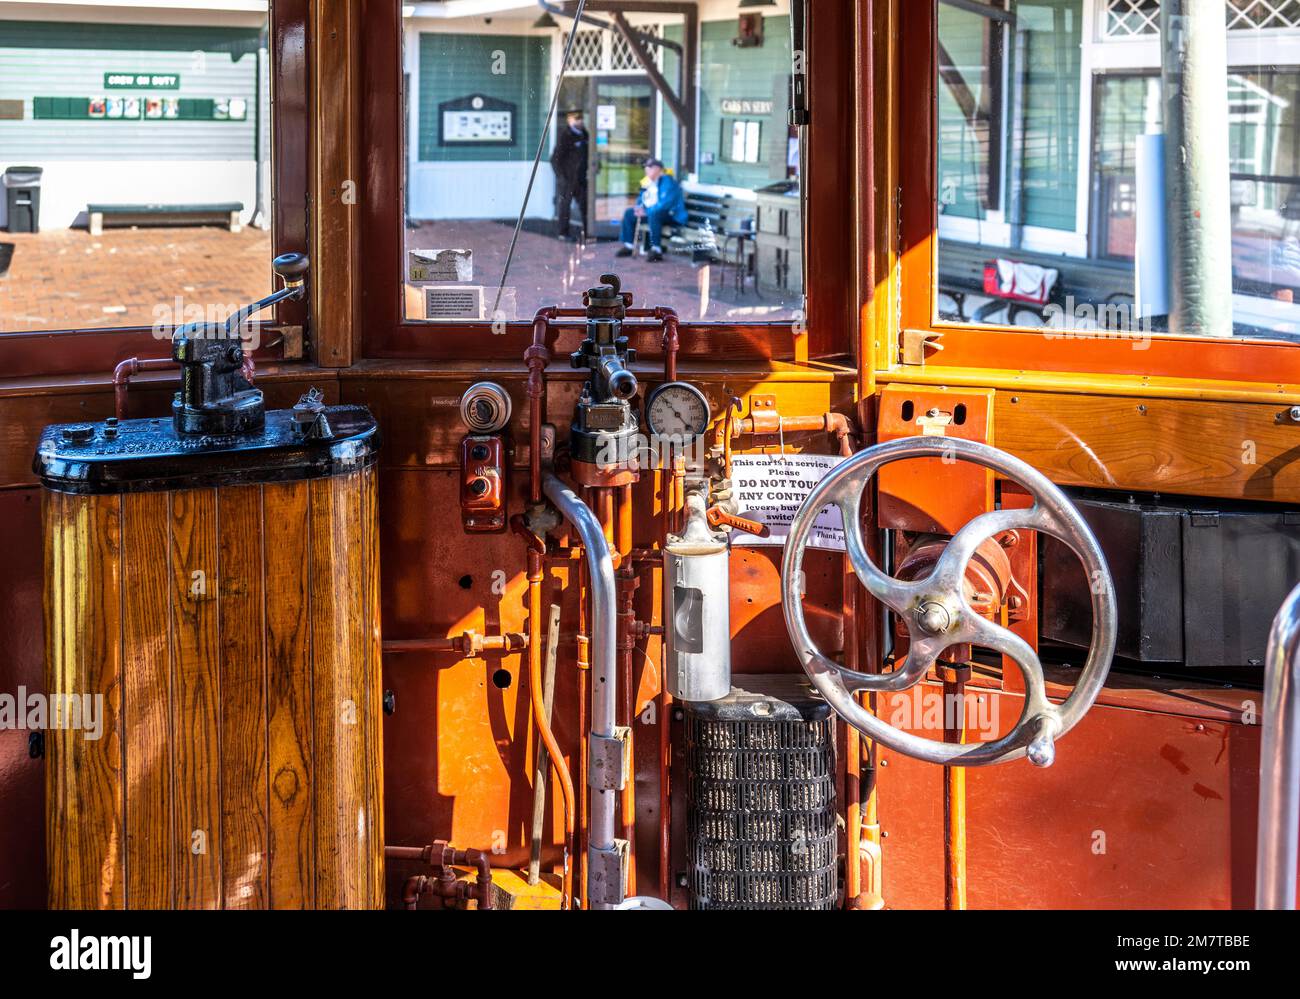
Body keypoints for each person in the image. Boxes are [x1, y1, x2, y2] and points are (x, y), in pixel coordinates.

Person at [617, 159, 688, 262]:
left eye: (649, 168)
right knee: (629, 213)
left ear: (658, 169)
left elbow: (665, 204)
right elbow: (641, 198)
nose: (646, 170)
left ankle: (656, 250)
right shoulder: (647, 181)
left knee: (654, 214)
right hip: (653, 213)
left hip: (672, 215)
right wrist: (640, 208)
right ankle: (629, 246)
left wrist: (647, 211)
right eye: (646, 168)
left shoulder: (668, 182)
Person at [550, 109, 589, 241]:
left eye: (581, 119)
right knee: (565, 206)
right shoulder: (565, 135)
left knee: (586, 205)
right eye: (576, 119)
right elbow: (555, 159)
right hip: (567, 179)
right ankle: (563, 233)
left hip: (582, 178)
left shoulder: (585, 134)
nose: (580, 121)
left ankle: (589, 232)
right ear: (570, 121)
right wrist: (561, 176)